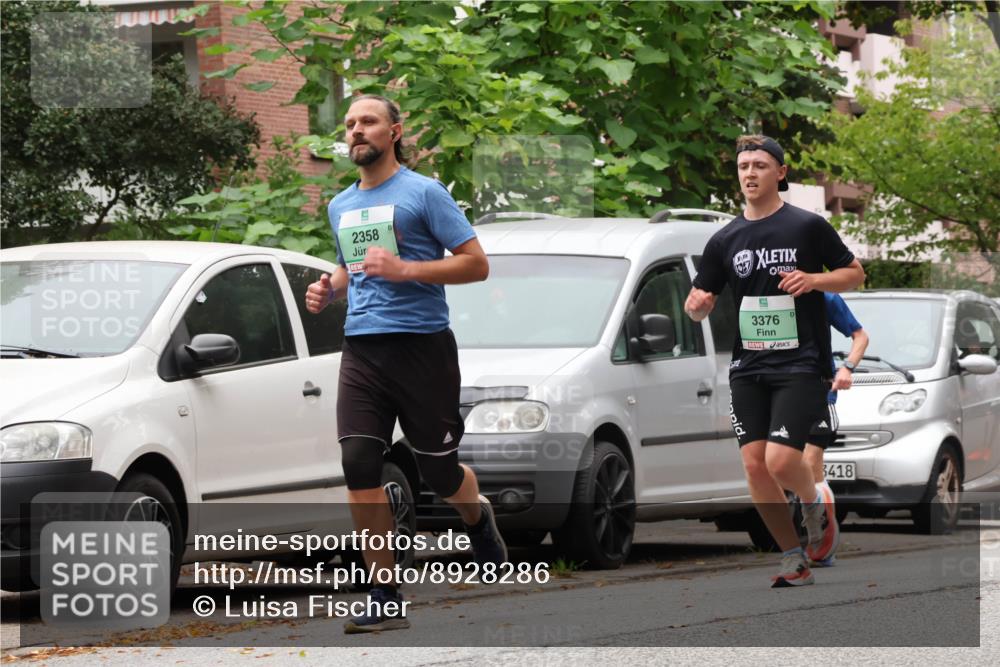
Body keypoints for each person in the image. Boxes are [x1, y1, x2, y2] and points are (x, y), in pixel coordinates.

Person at [305, 94, 507, 633]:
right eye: (349, 124)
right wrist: (330, 287)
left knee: (439, 472)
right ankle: (385, 594)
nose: (356, 131)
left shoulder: (424, 193)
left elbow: (476, 265)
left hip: (422, 348)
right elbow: (355, 265)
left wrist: (407, 270)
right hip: (363, 349)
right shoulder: (341, 204)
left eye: (367, 122)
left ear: (395, 131)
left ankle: (477, 516)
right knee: (358, 465)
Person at [685, 135, 865, 587]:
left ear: (780, 173)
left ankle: (814, 504)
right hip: (748, 366)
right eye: (744, 166)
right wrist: (697, 305)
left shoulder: (807, 226)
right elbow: (699, 301)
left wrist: (814, 279)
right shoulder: (724, 238)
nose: (750, 173)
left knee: (783, 462)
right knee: (753, 465)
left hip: (801, 363)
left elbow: (855, 275)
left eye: (761, 165)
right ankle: (792, 555)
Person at [800, 292, 869, 567]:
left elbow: (861, 336)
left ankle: (821, 542)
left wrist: (847, 368)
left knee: (808, 462)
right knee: (788, 469)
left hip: (819, 393)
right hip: (782, 395)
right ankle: (816, 535)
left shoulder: (826, 299)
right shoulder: (767, 294)